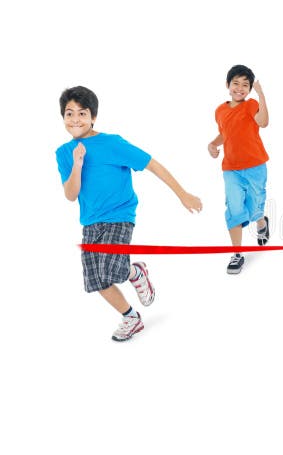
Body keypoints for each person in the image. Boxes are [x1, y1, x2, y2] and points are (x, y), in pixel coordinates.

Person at [56, 86, 202, 341]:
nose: (76, 119)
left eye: (82, 113)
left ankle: (134, 272)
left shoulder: (112, 143)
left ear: (93, 117)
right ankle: (131, 317)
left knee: (112, 271)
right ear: (63, 118)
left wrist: (182, 194)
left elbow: (152, 164)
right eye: (69, 114)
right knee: (97, 281)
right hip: (91, 221)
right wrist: (77, 164)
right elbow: (70, 194)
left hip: (119, 215)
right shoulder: (63, 153)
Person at [207, 64, 271, 274]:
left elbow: (263, 122)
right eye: (236, 83)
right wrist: (213, 144)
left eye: (246, 85)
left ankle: (261, 222)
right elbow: (226, 133)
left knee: (254, 209)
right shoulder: (220, 110)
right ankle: (237, 254)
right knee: (234, 208)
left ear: (250, 89)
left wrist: (261, 94)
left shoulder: (252, 104)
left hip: (255, 166)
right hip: (231, 169)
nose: (240, 88)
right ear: (228, 85)